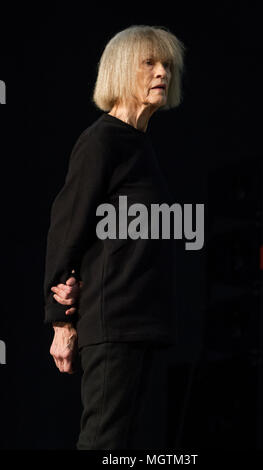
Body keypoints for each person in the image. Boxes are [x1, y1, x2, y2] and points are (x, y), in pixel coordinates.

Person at [43, 24, 185, 450]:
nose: (163, 72)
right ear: (122, 70)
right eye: (149, 63)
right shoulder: (102, 140)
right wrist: (60, 322)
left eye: (167, 65)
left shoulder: (141, 146)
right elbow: (68, 230)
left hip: (142, 323)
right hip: (112, 321)